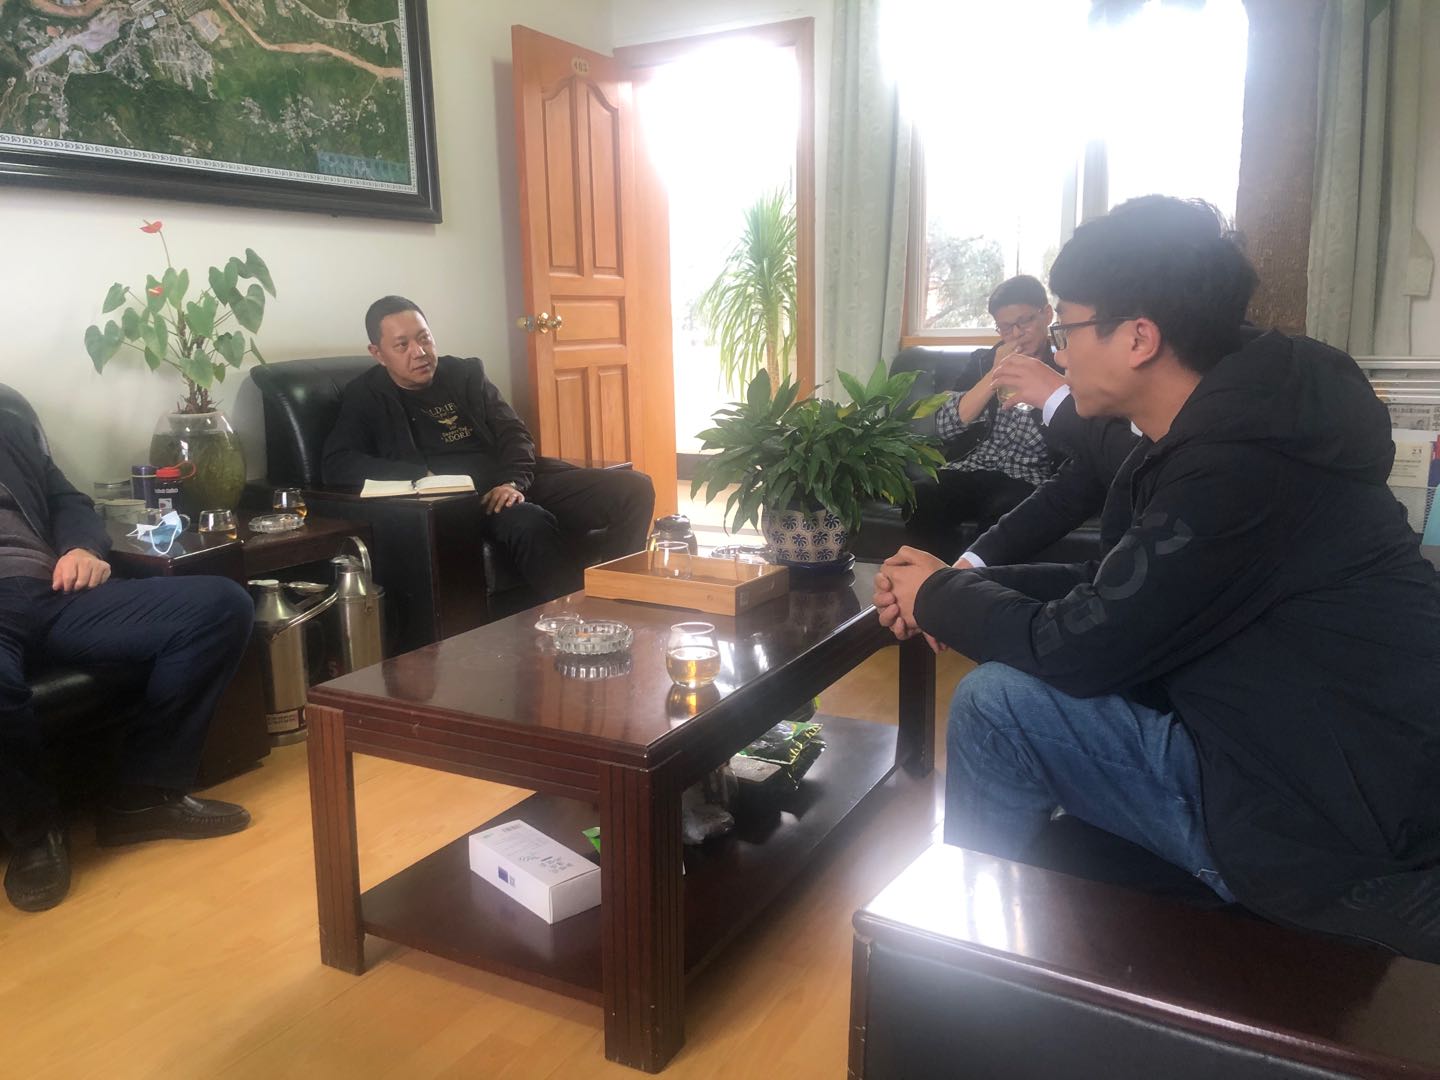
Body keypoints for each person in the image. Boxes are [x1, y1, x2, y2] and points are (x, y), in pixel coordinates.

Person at [875, 195, 1440, 961]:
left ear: (1139, 337)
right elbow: (1122, 585)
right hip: (1317, 751)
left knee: (996, 706)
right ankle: (1029, 935)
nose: (1059, 355)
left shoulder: (1238, 468)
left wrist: (942, 596)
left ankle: (968, 972)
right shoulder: (1235, 424)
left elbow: (1081, 645)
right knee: (1019, 694)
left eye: (1066, 330)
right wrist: (957, 582)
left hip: (1317, 811)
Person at [0, 415, 254, 913]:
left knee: (221, 607)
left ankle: (143, 795)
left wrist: (80, 547)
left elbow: (67, 501)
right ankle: (34, 832)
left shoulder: (7, 426)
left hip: (56, 589)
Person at [323, 296, 656, 600]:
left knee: (634, 488)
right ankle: (577, 618)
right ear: (377, 353)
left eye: (424, 338)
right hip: (466, 504)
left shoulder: (464, 374)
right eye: (402, 345)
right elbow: (337, 463)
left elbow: (514, 431)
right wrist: (420, 475)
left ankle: (617, 597)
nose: (419, 352)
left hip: (514, 481)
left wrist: (513, 482)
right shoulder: (366, 395)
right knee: (528, 521)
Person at [907, 275, 1067, 550]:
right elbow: (945, 427)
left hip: (1026, 475)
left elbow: (1074, 433)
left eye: (1024, 321)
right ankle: (936, 573)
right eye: (1005, 327)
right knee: (921, 497)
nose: (1016, 333)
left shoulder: (1066, 365)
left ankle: (973, 575)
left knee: (1006, 511)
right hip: (970, 467)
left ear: (1047, 314)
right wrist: (994, 373)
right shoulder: (982, 362)